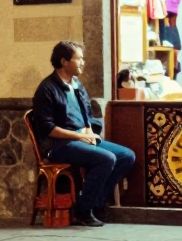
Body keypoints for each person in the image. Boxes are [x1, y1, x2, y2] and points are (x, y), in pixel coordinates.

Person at [32, 41, 136, 227]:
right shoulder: (46, 89)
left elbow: (87, 112)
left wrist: (88, 130)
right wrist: (79, 136)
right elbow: (47, 128)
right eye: (78, 59)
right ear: (64, 61)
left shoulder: (76, 84)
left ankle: (94, 204)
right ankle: (83, 211)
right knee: (106, 159)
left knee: (126, 156)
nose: (83, 62)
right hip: (59, 145)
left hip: (81, 139)